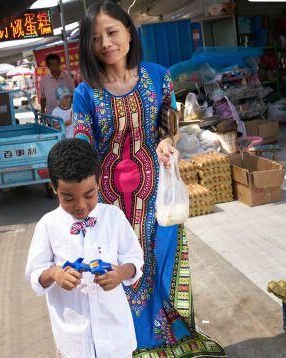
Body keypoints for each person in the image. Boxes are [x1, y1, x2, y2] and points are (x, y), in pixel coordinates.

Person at [73, 2, 224, 356]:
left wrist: (167, 145)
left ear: (129, 31)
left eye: (112, 33)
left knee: (157, 261)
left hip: (155, 194)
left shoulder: (158, 76)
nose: (106, 43)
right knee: (116, 266)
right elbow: (82, 141)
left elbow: (167, 127)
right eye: (96, 38)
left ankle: (162, 339)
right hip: (108, 201)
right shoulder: (85, 92)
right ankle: (123, 344)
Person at [25, 138, 144, 357]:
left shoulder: (113, 218)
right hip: (74, 342)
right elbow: (34, 274)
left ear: (98, 183)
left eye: (89, 195)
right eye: (68, 198)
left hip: (114, 337)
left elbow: (135, 258)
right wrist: (55, 273)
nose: (80, 206)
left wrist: (120, 273)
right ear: (54, 188)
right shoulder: (48, 225)